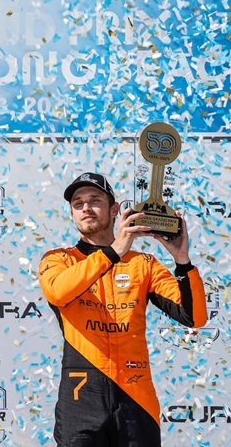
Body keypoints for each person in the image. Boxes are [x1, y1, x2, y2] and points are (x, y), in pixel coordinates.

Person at [38, 172, 208, 446]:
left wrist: (182, 262)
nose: (86, 208)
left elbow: (195, 317)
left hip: (136, 398)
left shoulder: (143, 264)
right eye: (78, 204)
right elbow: (58, 292)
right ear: (72, 214)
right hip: (81, 399)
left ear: (114, 210)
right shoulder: (59, 259)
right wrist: (115, 250)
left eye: (95, 200)